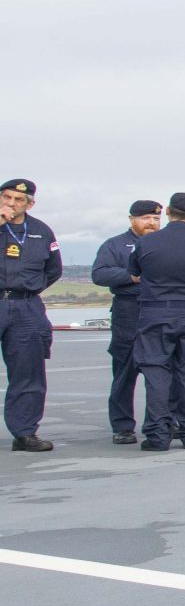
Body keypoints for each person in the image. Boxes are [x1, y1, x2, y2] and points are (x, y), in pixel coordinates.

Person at [129, 192, 185, 452]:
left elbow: (134, 272)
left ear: (168, 211)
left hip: (156, 311)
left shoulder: (148, 242)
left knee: (156, 374)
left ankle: (158, 435)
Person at [89, 200, 163, 444]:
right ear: (132, 219)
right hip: (128, 310)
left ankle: (164, 421)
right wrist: (130, 276)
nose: (151, 223)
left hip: (159, 310)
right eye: (146, 219)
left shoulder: (165, 243)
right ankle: (122, 426)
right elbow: (99, 274)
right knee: (124, 372)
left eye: (155, 219)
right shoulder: (115, 245)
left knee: (162, 372)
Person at [0, 177, 63, 451]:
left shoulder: (41, 231)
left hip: (26, 306)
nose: (12, 203)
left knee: (29, 372)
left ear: (30, 203)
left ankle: (25, 433)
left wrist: (28, 290)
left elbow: (54, 270)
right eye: (7, 197)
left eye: (19, 199)